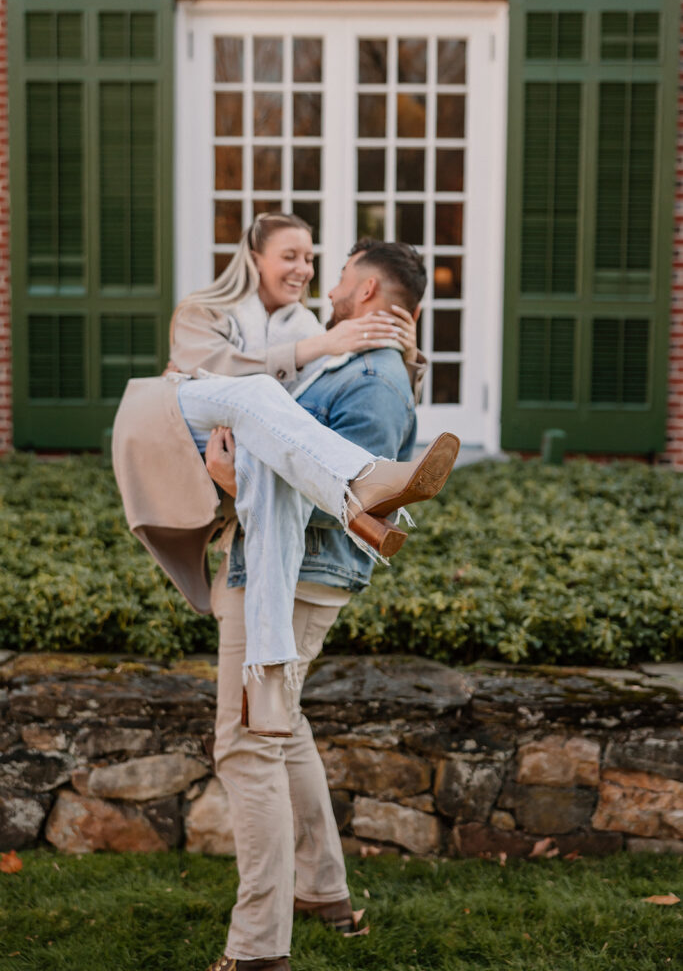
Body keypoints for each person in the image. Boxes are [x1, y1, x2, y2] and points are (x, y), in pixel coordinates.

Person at [113, 215, 459, 733]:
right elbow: (214, 371)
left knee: (271, 481)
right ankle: (363, 486)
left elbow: (330, 405)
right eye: (290, 256)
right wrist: (321, 345)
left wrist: (406, 361)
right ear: (254, 259)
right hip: (171, 417)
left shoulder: (303, 325)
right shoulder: (203, 310)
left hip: (233, 452)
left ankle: (268, 672)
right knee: (259, 395)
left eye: (311, 258)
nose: (305, 269)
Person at [201, 238, 442, 971]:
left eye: (340, 272)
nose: (328, 282)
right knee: (284, 728)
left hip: (294, 579)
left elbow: (330, 502)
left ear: (367, 291)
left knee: (247, 749)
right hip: (282, 571)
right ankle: (323, 892)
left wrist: (227, 476)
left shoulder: (373, 382)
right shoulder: (358, 361)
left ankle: (256, 949)